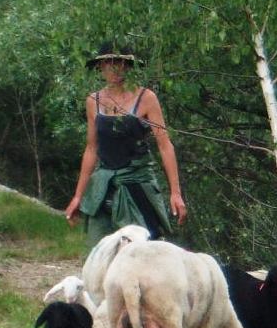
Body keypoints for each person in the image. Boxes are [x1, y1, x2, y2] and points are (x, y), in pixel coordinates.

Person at [64, 41, 187, 244]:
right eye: (108, 63)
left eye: (119, 63)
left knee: (144, 249)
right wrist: (78, 196)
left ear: (128, 66)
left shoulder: (146, 98)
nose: (114, 68)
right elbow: (91, 148)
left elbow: (164, 145)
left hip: (136, 182)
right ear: (100, 67)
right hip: (103, 186)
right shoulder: (93, 101)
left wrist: (176, 193)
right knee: (99, 250)